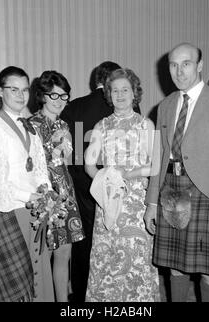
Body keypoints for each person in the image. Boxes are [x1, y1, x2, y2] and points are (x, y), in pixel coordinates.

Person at [144, 43, 209, 302]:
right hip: (170, 192)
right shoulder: (165, 105)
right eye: (173, 65)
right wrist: (151, 202)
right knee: (175, 268)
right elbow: (160, 157)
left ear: (200, 66)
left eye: (186, 63)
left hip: (206, 196)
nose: (179, 71)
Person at [61, 61, 141, 302]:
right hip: (119, 185)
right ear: (109, 83)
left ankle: (82, 292)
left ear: (95, 79)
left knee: (83, 242)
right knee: (117, 242)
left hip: (82, 184)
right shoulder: (122, 103)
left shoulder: (74, 107)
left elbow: (70, 153)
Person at [0, 66, 54, 302]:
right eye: (13, 89)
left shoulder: (30, 127)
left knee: (38, 272)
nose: (21, 95)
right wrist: (26, 196)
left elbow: (39, 168)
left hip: (35, 211)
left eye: (25, 90)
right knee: (14, 280)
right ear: (0, 92)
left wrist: (46, 193)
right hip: (9, 211)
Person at [84, 68, 160, 302]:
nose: (120, 95)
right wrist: (106, 181)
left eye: (125, 89)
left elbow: (155, 167)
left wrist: (129, 173)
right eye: (114, 90)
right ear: (108, 94)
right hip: (110, 201)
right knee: (107, 257)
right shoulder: (101, 126)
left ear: (134, 92)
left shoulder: (145, 125)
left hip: (137, 202)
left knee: (137, 256)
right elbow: (88, 165)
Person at [29, 70, 85, 302]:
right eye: (54, 96)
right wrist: (50, 147)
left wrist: (68, 146)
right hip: (43, 197)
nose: (60, 102)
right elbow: (28, 165)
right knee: (41, 256)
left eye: (64, 96)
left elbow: (72, 162)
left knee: (65, 252)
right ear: (42, 96)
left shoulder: (65, 124)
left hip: (66, 194)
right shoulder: (30, 125)